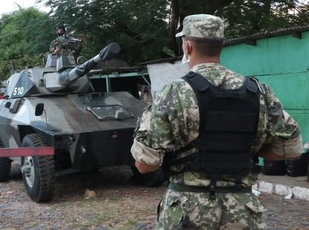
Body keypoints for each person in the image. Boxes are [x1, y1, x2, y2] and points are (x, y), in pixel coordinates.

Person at [130, 14, 303, 229]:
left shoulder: (174, 93)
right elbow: (292, 148)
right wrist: (246, 150)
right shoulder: (258, 92)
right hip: (243, 212)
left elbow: (145, 165)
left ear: (188, 46)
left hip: (188, 213)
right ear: (221, 46)